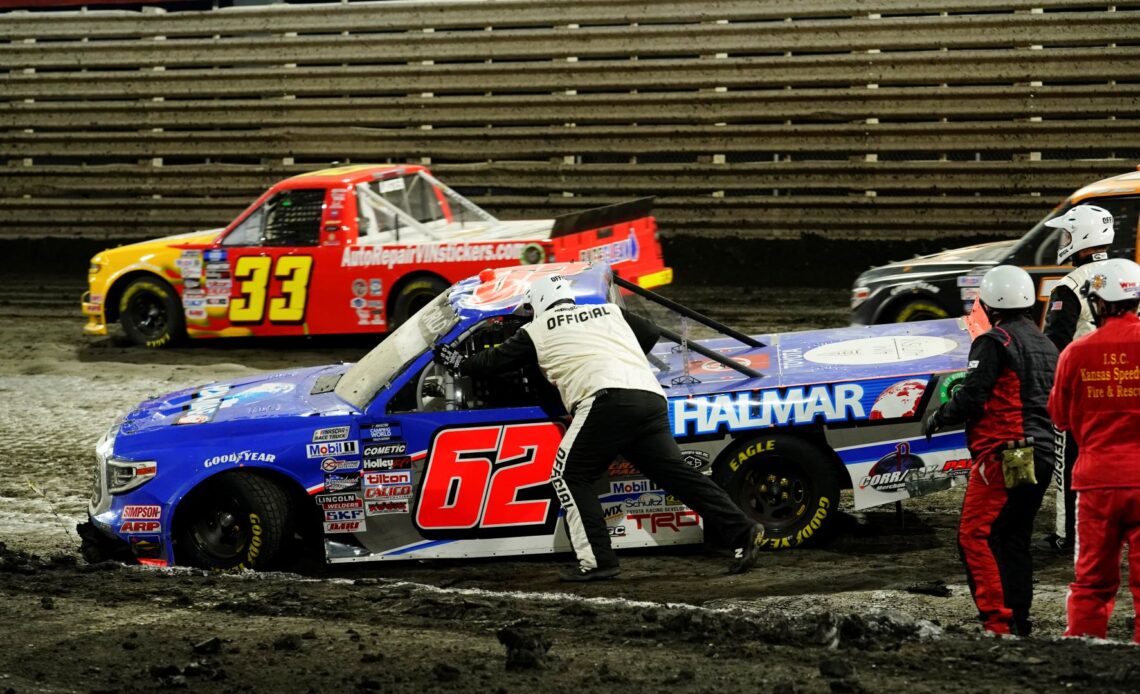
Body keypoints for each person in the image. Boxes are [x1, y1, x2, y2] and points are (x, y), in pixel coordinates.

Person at [433, 273, 765, 582]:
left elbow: (492, 363)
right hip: (649, 397)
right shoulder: (607, 311)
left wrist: (459, 362)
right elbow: (649, 334)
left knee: (568, 475)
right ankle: (741, 529)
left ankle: (597, 560)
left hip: (606, 402)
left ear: (540, 304)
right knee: (676, 474)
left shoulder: (537, 329)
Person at [924, 265, 1057, 636]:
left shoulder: (994, 341)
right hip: (1042, 456)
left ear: (990, 302)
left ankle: (998, 621)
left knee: (975, 535)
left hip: (1007, 453)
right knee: (1013, 537)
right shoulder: (1046, 344)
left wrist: (939, 416)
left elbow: (972, 398)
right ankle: (1019, 619)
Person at [1048, 258, 1140, 642]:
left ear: (1097, 302)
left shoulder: (1075, 353)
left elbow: (1060, 417)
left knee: (1091, 581)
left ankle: (1085, 652)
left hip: (1097, 484)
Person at [1040, 204, 1116, 553]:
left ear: (1083, 237)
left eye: (1068, 234)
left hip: (1083, 397)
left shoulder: (1069, 286)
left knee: (1069, 465)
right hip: (1126, 387)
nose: (1065, 240)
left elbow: (1055, 345)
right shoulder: (1131, 275)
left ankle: (1067, 535)